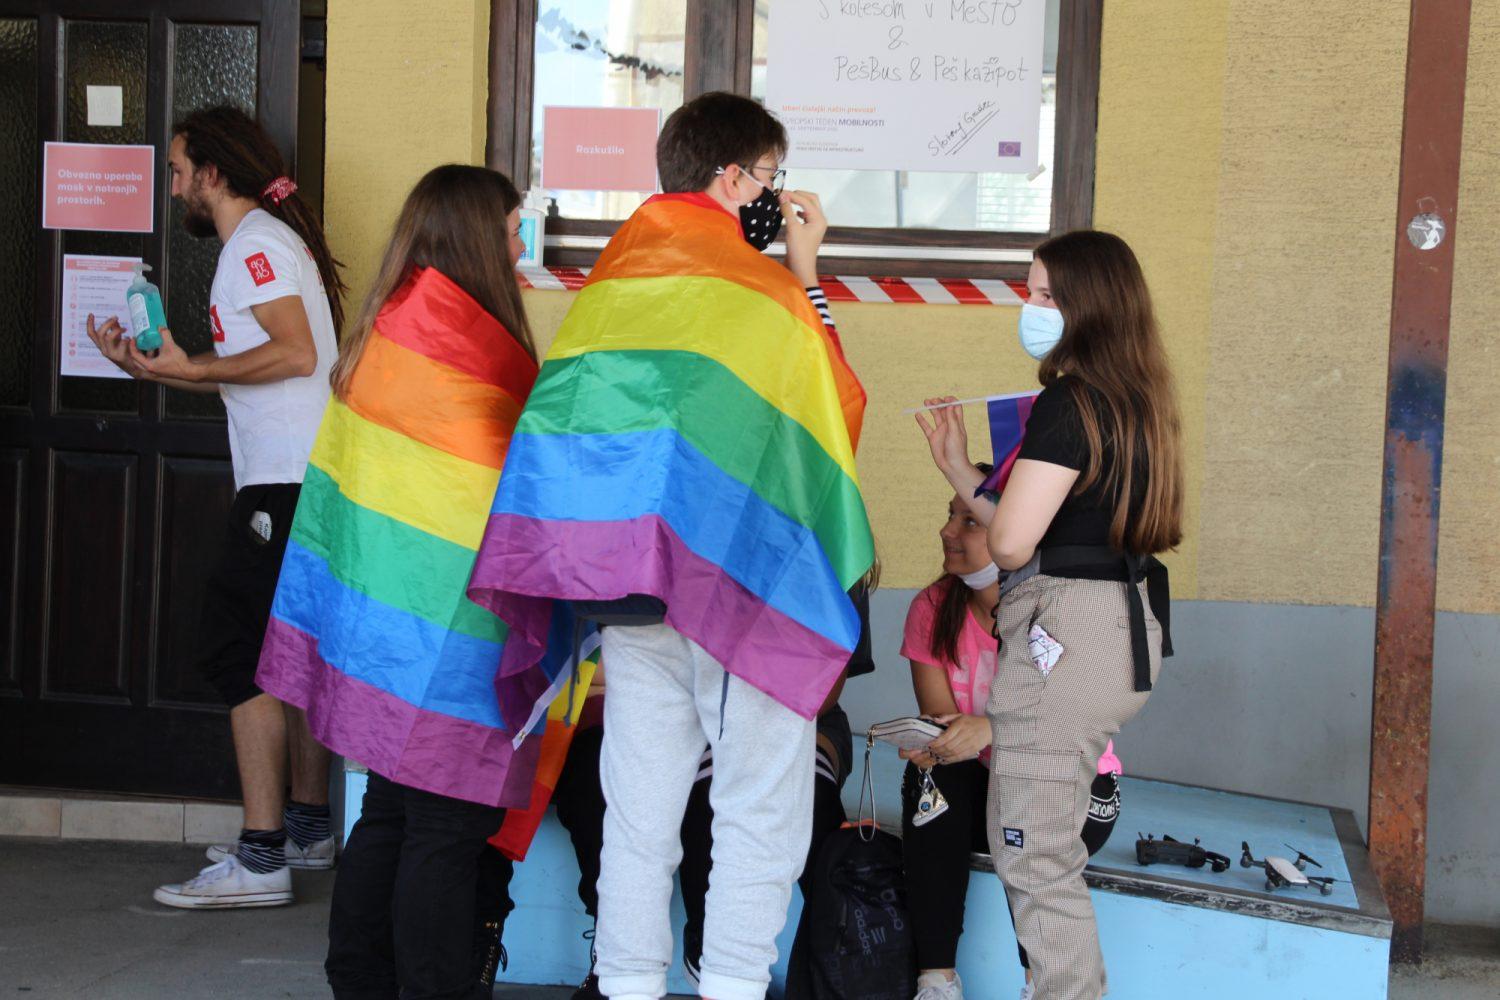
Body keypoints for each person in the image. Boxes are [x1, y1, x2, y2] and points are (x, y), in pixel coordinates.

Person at [467, 91, 873, 1000]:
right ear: (731, 178)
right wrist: (804, 272)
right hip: (734, 585)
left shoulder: (616, 282)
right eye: (771, 176)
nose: (777, 193)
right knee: (757, 804)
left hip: (625, 590)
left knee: (639, 807)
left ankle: (627, 984)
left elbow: (565, 421)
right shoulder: (758, 290)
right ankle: (731, 984)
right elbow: (833, 407)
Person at [251, 164, 548, 998]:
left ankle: (358, 980)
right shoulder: (467, 351)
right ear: (477, 240)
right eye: (512, 230)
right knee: (446, 827)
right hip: (456, 635)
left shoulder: (389, 330)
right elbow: (514, 497)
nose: (519, 246)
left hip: (381, 631)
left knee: (389, 809)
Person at [86, 105, 345, 909]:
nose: (172, 190)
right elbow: (278, 362)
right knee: (288, 651)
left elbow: (295, 352)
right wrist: (160, 369)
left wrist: (191, 371)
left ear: (212, 172)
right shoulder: (269, 239)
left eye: (176, 172)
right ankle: (306, 830)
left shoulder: (253, 246)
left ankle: (261, 859)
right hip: (302, 479)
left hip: (283, 483)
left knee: (239, 653)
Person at [915, 230, 1181, 1000]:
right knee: (1044, 851)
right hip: (1121, 627)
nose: (1029, 308)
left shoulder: (1071, 401)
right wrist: (959, 468)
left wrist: (986, 499)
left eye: (1043, 295)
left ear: (1085, 305)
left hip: (1065, 630)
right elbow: (1061, 529)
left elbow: (1010, 541)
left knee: (1034, 857)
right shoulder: (1139, 403)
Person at [896, 471, 1121, 1000]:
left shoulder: (1054, 607)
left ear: (1011, 530)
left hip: (1071, 788)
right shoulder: (932, 607)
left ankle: (1040, 984)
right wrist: (939, 743)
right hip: (983, 791)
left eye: (969, 521)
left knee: (1024, 794)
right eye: (950, 516)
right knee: (931, 777)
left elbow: (1070, 724)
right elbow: (942, 722)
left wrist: (990, 730)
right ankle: (936, 981)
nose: (947, 531)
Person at [678, 580, 875, 996]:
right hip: (712, 718)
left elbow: (826, 689)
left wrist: (760, 731)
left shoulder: (839, 558)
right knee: (708, 803)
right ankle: (714, 963)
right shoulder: (708, 553)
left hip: (808, 718)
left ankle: (834, 976)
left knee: (816, 813)